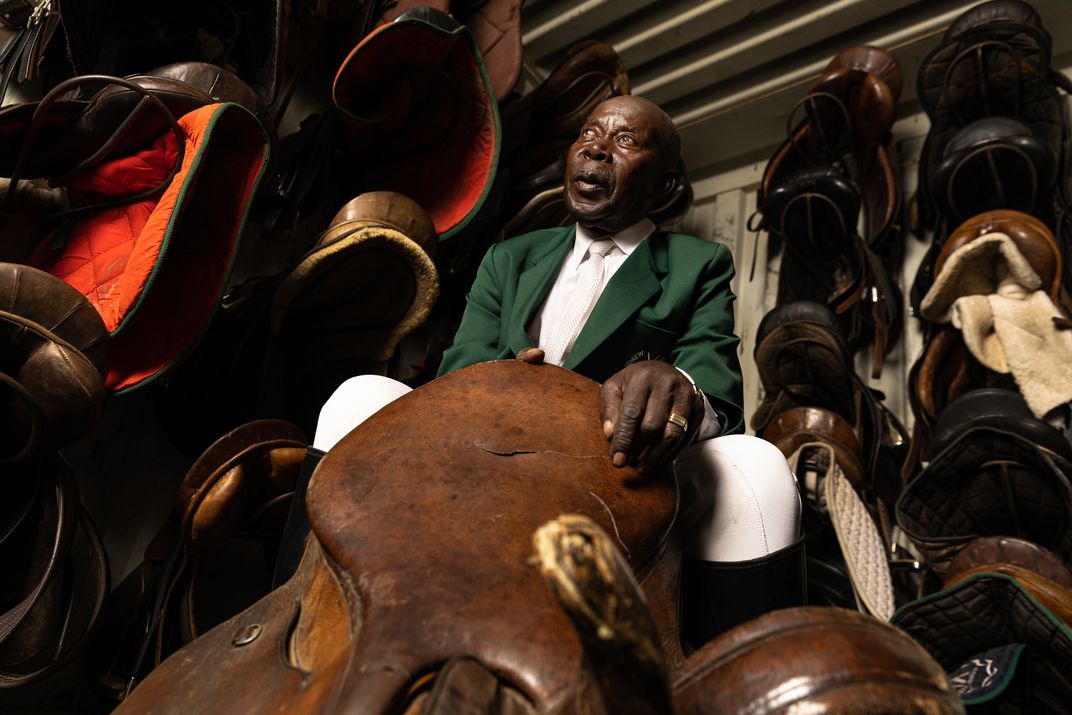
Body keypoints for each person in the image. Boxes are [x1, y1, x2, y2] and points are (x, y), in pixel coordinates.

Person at [304, 96, 804, 647]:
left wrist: (678, 386)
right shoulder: (510, 257)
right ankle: (295, 624)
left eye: (625, 140)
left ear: (663, 185)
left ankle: (735, 679)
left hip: (615, 461)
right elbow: (462, 363)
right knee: (359, 396)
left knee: (756, 466)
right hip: (488, 441)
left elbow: (715, 376)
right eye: (589, 133)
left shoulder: (698, 264)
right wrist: (504, 381)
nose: (595, 147)